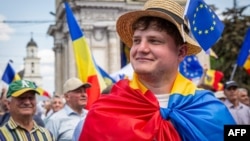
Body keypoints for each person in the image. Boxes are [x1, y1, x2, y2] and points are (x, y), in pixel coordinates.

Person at [79, 0, 235, 140]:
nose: (141, 48)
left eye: (154, 41)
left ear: (180, 52)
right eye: (136, 40)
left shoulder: (211, 109)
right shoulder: (105, 110)